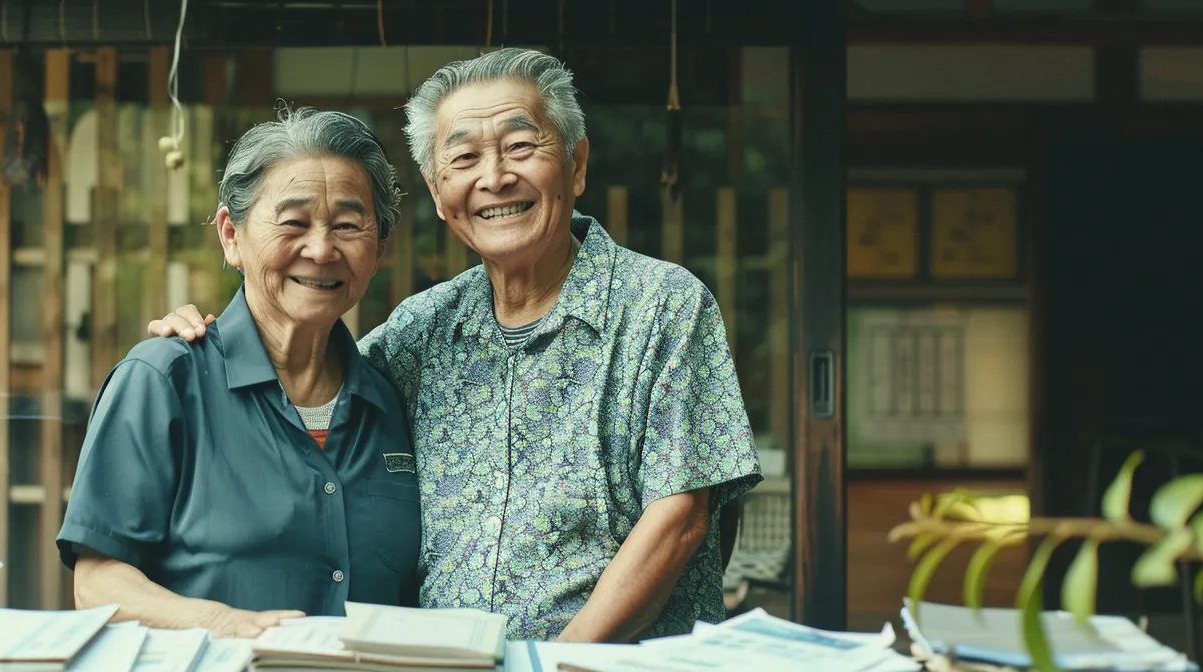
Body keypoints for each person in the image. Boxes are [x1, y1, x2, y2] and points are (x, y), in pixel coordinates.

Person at [149, 48, 761, 642]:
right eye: (463, 157)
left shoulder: (663, 307)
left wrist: (558, 664)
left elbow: (680, 520)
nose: (494, 178)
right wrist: (208, 338)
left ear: (576, 165)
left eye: (521, 147)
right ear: (439, 193)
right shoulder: (419, 331)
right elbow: (301, 372)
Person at [59, 108, 418, 639]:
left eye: (347, 225)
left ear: (378, 249)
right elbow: (98, 580)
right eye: (293, 222)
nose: (321, 249)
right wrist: (222, 623)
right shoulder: (164, 381)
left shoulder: (392, 398)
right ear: (232, 235)